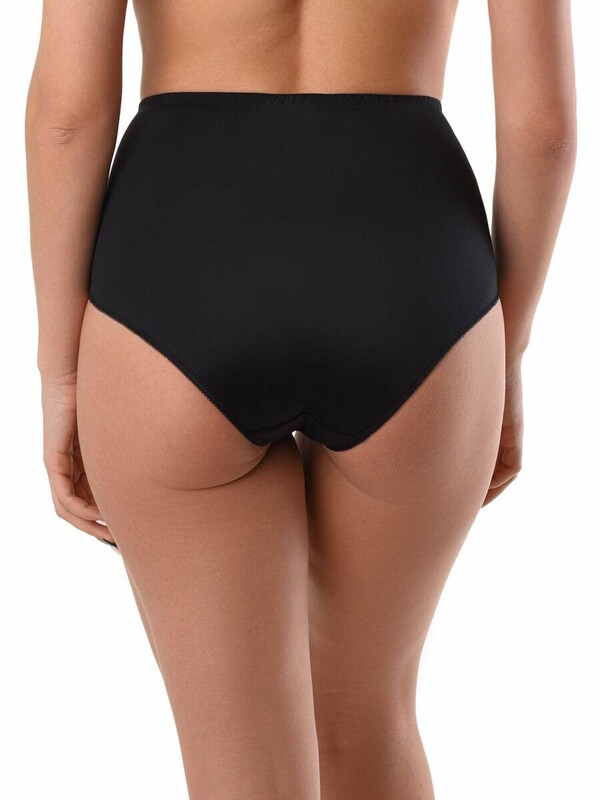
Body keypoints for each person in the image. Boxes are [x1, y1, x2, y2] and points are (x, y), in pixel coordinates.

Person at [25, 1, 576, 797]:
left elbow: (67, 119)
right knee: (366, 719)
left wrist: (62, 374)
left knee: (236, 761)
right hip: (411, 263)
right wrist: (506, 351)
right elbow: (544, 128)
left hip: (179, 257)